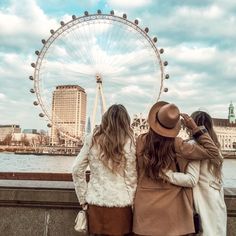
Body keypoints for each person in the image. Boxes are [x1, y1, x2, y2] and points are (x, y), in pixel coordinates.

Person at [133, 101, 222, 236]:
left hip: (145, 210)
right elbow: (213, 152)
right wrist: (195, 128)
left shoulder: (140, 141)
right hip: (172, 211)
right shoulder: (179, 145)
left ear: (154, 120)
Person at [72, 104, 137, 236]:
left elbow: (76, 169)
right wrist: (133, 205)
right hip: (121, 206)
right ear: (126, 122)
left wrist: (83, 199)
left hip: (95, 204)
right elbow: (131, 179)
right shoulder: (129, 143)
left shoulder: (92, 139)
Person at [164, 111, 227, 236]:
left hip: (203, 203)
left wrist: (166, 174)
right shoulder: (215, 146)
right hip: (217, 201)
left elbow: (191, 180)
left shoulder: (194, 146)